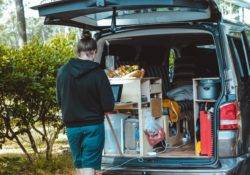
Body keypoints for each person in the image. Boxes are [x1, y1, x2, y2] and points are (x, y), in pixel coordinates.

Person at [56, 31, 114, 175]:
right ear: (94, 52)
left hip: (72, 128)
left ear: (78, 51)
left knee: (80, 164)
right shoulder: (99, 73)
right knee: (89, 164)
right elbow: (108, 106)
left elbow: (59, 100)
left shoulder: (62, 72)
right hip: (93, 126)